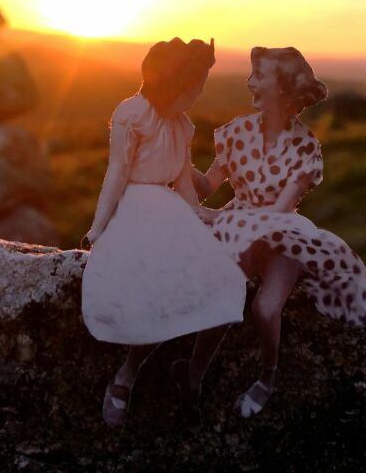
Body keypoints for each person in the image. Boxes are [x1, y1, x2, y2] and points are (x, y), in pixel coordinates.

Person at [190, 46, 366, 418]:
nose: (250, 81)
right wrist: (176, 156)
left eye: (260, 76)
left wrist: (214, 219)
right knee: (221, 296)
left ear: (284, 88)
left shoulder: (306, 147)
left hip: (282, 233)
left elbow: (275, 212)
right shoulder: (236, 132)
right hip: (239, 224)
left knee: (264, 308)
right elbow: (208, 186)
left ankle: (267, 377)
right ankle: (193, 375)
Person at [81, 38, 247, 429]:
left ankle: (190, 376)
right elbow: (117, 173)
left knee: (221, 282)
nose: (198, 95)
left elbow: (187, 189)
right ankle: (125, 375)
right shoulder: (131, 115)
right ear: (173, 85)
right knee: (158, 286)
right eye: (195, 88)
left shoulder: (181, 126)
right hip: (138, 211)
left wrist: (208, 215)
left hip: (171, 212)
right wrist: (98, 226)